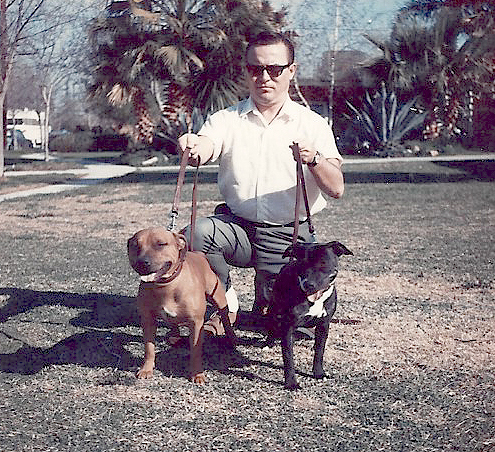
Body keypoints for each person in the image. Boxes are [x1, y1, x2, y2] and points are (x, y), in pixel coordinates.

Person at [178, 30, 344, 333]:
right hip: (238, 228)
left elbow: (336, 188)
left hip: (290, 238)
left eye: (275, 69)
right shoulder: (226, 119)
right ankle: (225, 303)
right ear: (246, 71)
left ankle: (265, 294)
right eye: (256, 69)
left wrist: (315, 159)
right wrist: (194, 147)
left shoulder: (313, 124)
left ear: (291, 72)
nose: (265, 77)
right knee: (197, 233)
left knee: (287, 326)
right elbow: (206, 146)